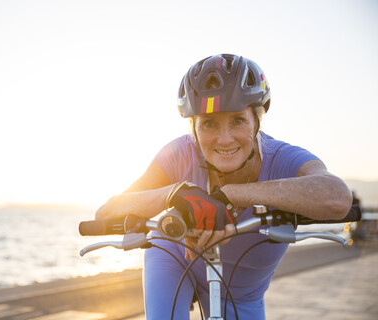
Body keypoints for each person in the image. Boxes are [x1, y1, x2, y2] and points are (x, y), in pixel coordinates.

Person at [95, 54, 352, 319]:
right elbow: (106, 213)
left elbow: (338, 198)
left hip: (242, 293)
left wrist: (229, 196)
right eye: (209, 123)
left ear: (256, 122)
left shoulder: (282, 158)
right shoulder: (179, 153)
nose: (224, 139)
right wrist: (176, 193)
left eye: (238, 121)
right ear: (193, 128)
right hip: (174, 259)